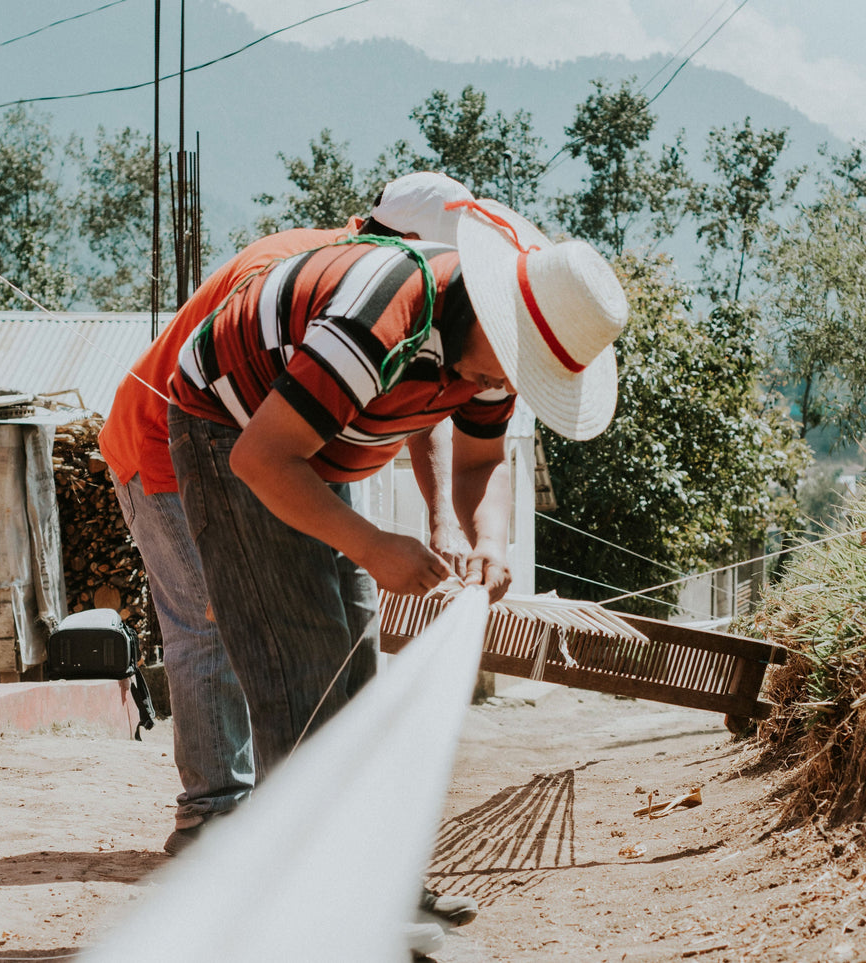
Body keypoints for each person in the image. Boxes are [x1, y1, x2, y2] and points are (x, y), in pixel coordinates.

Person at [164, 199, 627, 945]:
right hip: (233, 431)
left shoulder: (496, 353)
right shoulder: (382, 315)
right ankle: (315, 912)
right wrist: (374, 545)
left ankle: (370, 880)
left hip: (307, 446)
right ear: (492, 318)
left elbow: (481, 462)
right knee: (300, 667)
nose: (507, 386)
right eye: (516, 370)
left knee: (350, 655)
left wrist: (491, 541)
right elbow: (260, 457)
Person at [97, 173, 476, 859]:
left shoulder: (428, 299)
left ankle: (333, 824)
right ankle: (214, 818)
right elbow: (246, 412)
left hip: (302, 457)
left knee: (338, 616)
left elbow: (424, 403)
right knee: (215, 621)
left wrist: (441, 521)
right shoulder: (307, 265)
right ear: (411, 245)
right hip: (174, 444)